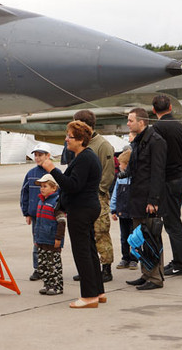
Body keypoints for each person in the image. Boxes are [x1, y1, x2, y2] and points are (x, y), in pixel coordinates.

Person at [42, 120, 105, 309]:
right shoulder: (84, 156)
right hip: (86, 207)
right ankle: (98, 291)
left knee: (82, 252)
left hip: (82, 209)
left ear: (80, 139)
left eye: (69, 136)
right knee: (90, 250)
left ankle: (89, 296)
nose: (66, 139)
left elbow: (73, 185)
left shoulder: (85, 158)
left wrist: (52, 170)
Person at [124, 108, 167, 291]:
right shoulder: (139, 141)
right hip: (137, 198)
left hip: (148, 200)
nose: (128, 123)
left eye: (130, 120)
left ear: (141, 122)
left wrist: (153, 200)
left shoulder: (156, 141)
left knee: (151, 238)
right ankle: (146, 273)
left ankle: (155, 278)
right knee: (140, 239)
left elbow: (158, 172)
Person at [72, 110, 115, 283]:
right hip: (82, 196)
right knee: (86, 233)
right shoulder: (80, 144)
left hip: (96, 196)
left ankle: (106, 268)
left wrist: (98, 191)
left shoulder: (102, 145)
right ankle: (89, 268)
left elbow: (108, 172)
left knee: (101, 232)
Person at [151, 95, 182, 277]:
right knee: (174, 221)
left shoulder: (157, 128)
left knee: (172, 223)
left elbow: (157, 159)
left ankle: (180, 263)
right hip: (180, 175)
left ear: (153, 110)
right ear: (171, 107)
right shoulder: (179, 127)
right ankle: (179, 260)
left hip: (168, 178)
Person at [20, 143, 54, 281]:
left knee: (50, 242)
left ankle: (50, 267)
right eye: (36, 155)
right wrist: (27, 213)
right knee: (37, 242)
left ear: (48, 156)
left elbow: (61, 193)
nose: (38, 158)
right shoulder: (31, 174)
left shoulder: (53, 173)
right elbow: (25, 193)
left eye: (41, 155)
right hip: (36, 215)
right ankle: (38, 268)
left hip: (50, 216)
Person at [33, 174, 66, 296]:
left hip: (52, 240)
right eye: (41, 186)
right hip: (41, 239)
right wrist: (36, 237)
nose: (42, 188)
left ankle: (57, 286)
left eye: (45, 186)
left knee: (53, 265)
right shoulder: (40, 202)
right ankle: (47, 284)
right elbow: (38, 222)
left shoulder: (56, 203)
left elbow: (61, 222)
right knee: (43, 265)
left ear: (54, 188)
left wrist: (58, 238)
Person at [110, 149, 138, 270]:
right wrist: (113, 209)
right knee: (124, 236)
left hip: (133, 213)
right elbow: (115, 193)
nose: (119, 166)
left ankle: (134, 258)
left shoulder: (135, 179)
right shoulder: (120, 178)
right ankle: (125, 257)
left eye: (121, 164)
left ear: (127, 165)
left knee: (134, 237)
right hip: (122, 211)